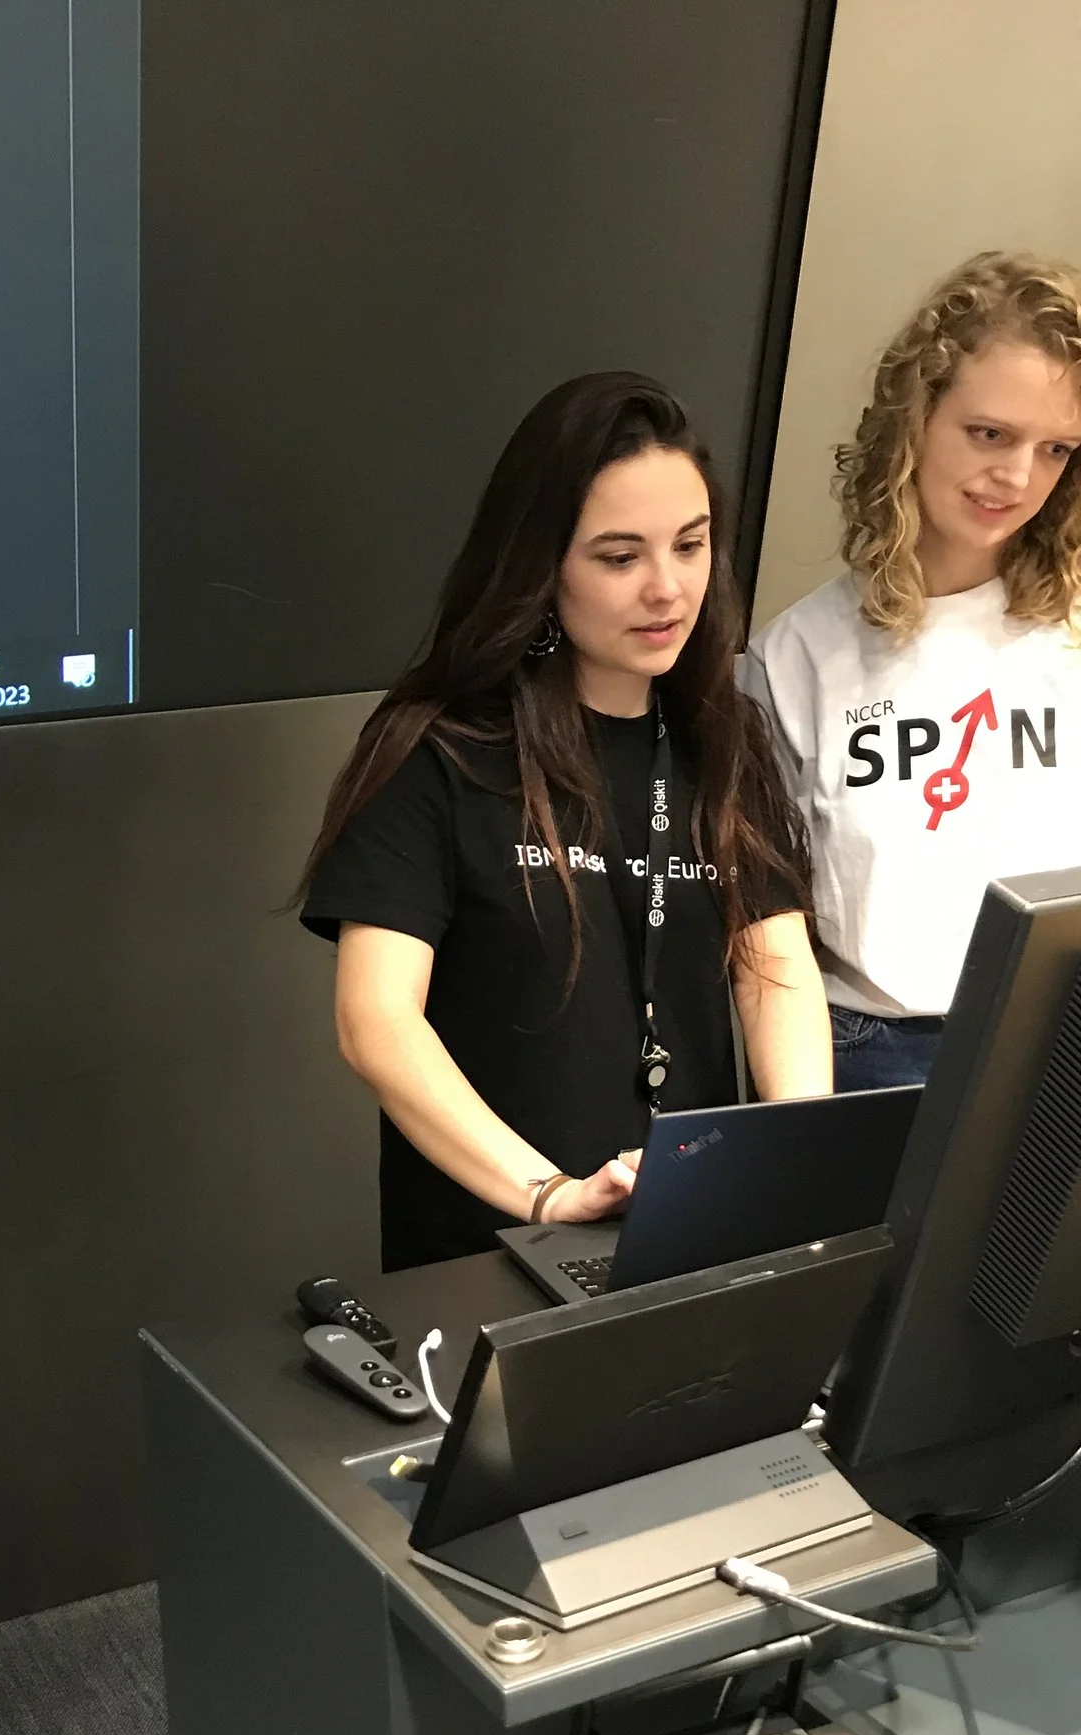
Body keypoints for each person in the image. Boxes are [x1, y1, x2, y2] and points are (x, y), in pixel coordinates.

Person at [301, 373, 832, 1271]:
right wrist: (548, 1194)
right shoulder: (440, 748)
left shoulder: (722, 736)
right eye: (619, 558)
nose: (668, 588)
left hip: (689, 1238)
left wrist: (790, 1147)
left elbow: (773, 963)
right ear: (542, 567)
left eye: (692, 545)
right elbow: (376, 1019)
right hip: (495, 1246)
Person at [744, 252, 1081, 1093]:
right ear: (914, 418)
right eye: (989, 433)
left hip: (1076, 1042)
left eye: (1056, 448)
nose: (1017, 477)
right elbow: (775, 941)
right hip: (869, 1051)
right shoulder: (796, 653)